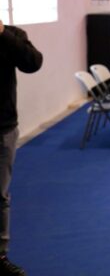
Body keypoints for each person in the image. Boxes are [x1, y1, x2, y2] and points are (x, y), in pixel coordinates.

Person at [0, 19, 43, 276]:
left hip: (3, 129)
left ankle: (1, 255)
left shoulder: (12, 35)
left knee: (0, 196)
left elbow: (33, 63)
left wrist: (3, 34)